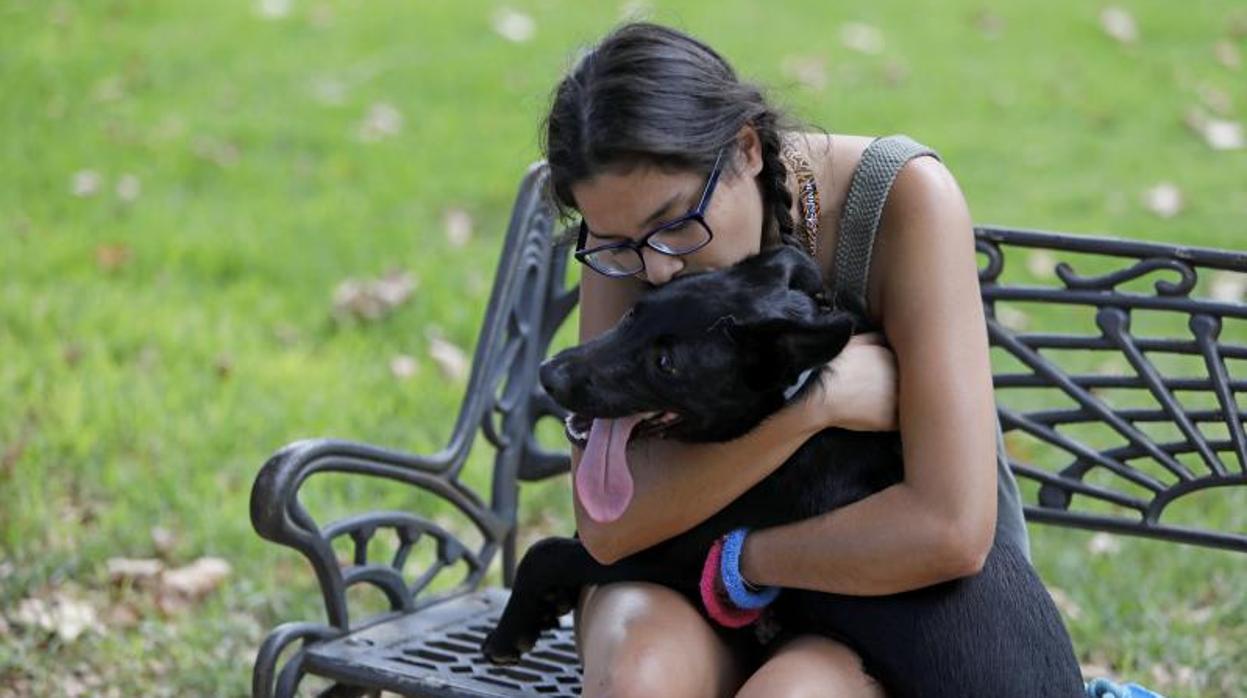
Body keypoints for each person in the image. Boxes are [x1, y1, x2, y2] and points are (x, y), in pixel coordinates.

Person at [541, 21, 1032, 698]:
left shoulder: (902, 200)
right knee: (638, 680)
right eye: (619, 243)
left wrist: (747, 561)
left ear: (744, 148)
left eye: (677, 221)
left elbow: (949, 529)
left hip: (875, 590)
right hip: (677, 571)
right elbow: (609, 523)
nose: (654, 269)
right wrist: (816, 403)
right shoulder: (629, 236)